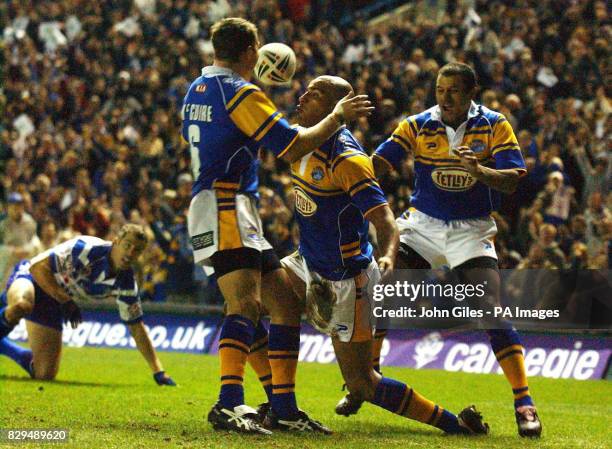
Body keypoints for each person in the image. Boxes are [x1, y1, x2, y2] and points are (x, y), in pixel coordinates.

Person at [181, 17, 372, 434]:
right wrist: (337, 115)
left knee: (284, 302)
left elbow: (233, 135)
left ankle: (283, 407)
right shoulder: (239, 92)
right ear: (250, 51)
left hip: (221, 203)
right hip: (226, 203)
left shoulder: (198, 88)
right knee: (245, 304)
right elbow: (291, 146)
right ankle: (228, 403)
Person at [276, 75, 489, 435]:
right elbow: (279, 144)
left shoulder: (347, 160)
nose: (303, 96)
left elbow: (386, 221)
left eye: (316, 94)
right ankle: (281, 407)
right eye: (307, 90)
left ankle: (455, 424)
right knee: (263, 293)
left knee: (362, 384)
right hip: (307, 260)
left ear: (336, 108)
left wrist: (389, 256)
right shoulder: (300, 138)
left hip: (346, 277)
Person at [342, 62, 541, 437]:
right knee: (378, 287)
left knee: (491, 312)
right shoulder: (417, 124)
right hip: (422, 224)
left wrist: (480, 171)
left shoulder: (495, 124)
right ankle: (368, 379)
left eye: (452, 90)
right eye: (439, 89)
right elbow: (379, 164)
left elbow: (514, 181)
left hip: (472, 229)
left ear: (470, 92)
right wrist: (348, 182)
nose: (444, 97)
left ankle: (524, 402)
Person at [0, 224, 176, 387]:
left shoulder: (126, 283)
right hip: (32, 278)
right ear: (116, 241)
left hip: (54, 302)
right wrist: (65, 300)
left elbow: (136, 327)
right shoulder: (86, 249)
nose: (130, 252)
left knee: (44, 373)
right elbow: (38, 268)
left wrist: (159, 371)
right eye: (127, 245)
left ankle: (7, 347)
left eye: (136, 250)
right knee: (22, 305)